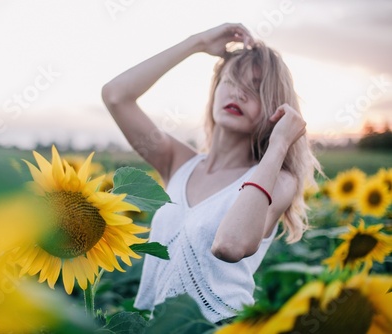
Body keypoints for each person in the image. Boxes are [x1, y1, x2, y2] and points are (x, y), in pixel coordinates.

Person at [101, 23, 321, 324]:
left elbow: (230, 245)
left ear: (276, 109)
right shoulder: (177, 161)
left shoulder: (278, 179)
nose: (239, 94)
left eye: (255, 88)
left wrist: (280, 143)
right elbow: (116, 96)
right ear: (215, 89)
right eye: (231, 81)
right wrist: (196, 43)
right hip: (152, 327)